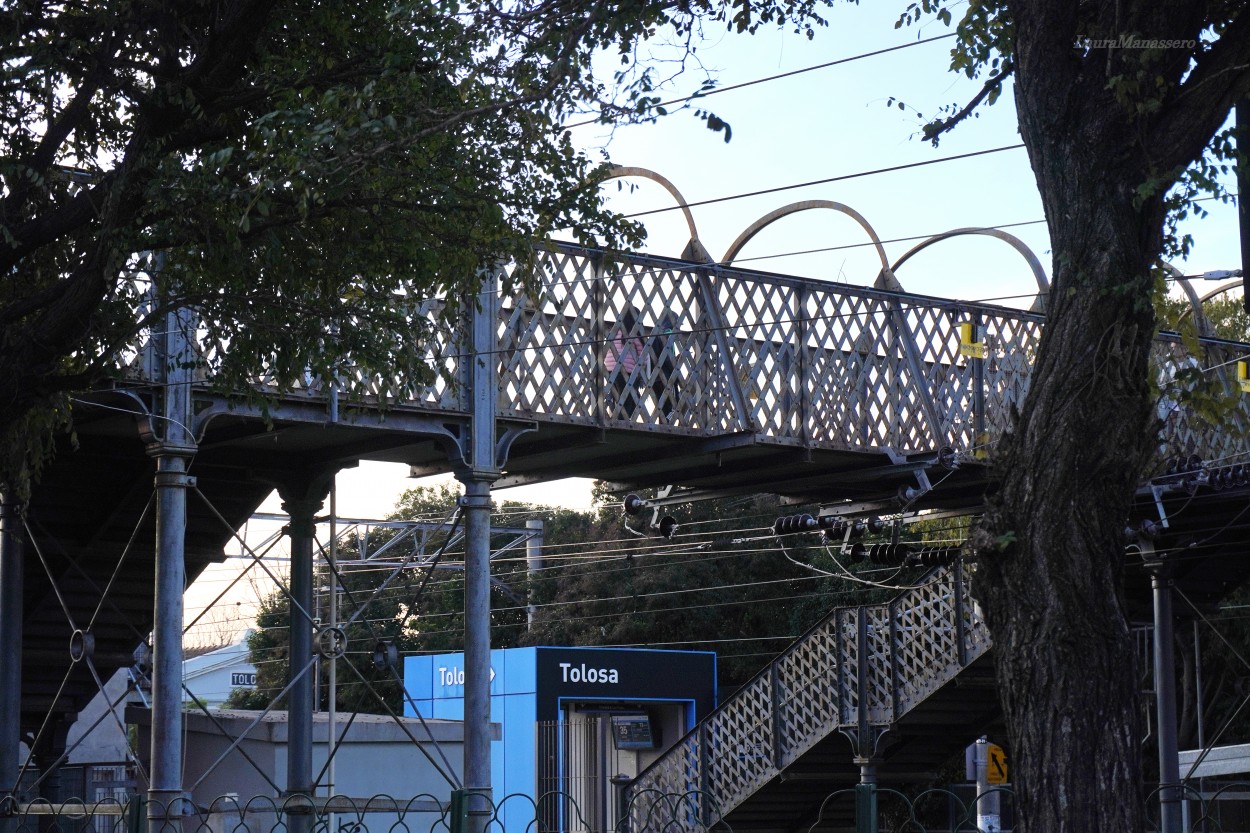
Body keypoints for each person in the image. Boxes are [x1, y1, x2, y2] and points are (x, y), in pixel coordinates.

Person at [604, 311, 645, 418]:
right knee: (629, 397)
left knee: (616, 395)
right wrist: (643, 371)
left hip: (609, 369)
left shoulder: (614, 332)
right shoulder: (634, 333)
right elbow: (643, 354)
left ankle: (614, 417)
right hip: (626, 370)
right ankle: (622, 420)